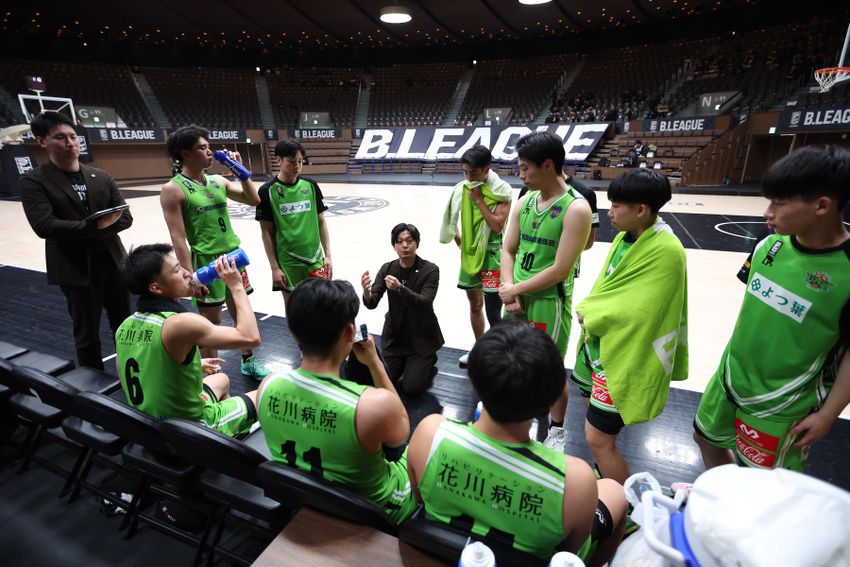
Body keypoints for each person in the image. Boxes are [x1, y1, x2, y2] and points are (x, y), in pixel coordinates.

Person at [407, 321, 627, 566]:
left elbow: (419, 500)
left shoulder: (430, 434)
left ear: (473, 381)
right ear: (552, 398)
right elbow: (568, 551)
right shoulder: (576, 480)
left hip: (444, 550)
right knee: (616, 491)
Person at [693, 145, 850, 472]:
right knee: (705, 438)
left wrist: (828, 414)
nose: (767, 213)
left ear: (822, 205)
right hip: (730, 377)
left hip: (783, 401)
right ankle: (723, 495)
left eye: (779, 203)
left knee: (763, 482)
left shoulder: (846, 269)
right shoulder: (768, 243)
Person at [256, 278, 417, 523]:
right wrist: (374, 362)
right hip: (374, 511)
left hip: (303, 497)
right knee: (423, 444)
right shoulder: (371, 406)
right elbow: (401, 434)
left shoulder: (267, 387)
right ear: (350, 332)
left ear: (292, 329)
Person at [571, 169, 688, 483]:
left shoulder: (667, 250)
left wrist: (593, 314)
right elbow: (608, 288)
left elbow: (646, 312)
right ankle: (604, 474)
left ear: (641, 210)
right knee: (595, 424)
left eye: (615, 206)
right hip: (598, 346)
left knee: (598, 438)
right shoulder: (624, 237)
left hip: (625, 355)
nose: (609, 212)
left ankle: (625, 502)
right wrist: (593, 310)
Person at [499, 131, 592, 450]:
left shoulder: (576, 209)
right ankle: (514, 416)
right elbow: (508, 249)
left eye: (526, 168)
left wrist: (515, 289)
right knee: (512, 360)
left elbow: (561, 270)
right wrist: (509, 288)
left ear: (548, 165)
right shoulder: (524, 200)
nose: (521, 175)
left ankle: (556, 430)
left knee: (548, 369)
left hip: (548, 303)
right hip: (515, 296)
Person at [21, 111, 132, 370]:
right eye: (61, 137)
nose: (70, 142)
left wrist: (89, 228)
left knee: (125, 328)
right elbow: (44, 225)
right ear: (42, 141)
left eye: (73, 136)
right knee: (87, 336)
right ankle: (92, 387)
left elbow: (125, 218)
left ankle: (131, 376)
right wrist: (96, 226)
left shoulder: (101, 176)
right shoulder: (34, 181)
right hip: (75, 269)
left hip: (114, 264)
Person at [160, 124, 270, 380]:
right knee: (211, 322)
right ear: (185, 153)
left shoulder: (219, 181)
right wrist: (191, 277)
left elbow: (254, 200)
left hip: (233, 257)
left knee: (241, 311)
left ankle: (248, 361)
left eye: (209, 147)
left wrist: (239, 170)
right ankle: (211, 373)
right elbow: (178, 238)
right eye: (203, 148)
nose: (210, 152)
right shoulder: (173, 189)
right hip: (206, 262)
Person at [115, 244, 258, 436]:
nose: (187, 273)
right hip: (189, 431)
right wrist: (236, 286)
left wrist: (193, 365)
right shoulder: (179, 324)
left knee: (221, 379)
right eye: (176, 271)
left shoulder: (125, 325)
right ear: (156, 288)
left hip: (149, 426)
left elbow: (136, 370)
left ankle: (233, 436)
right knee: (266, 390)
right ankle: (221, 438)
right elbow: (250, 337)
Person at [439, 145, 512, 367]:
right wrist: (462, 243)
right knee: (475, 305)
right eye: (465, 172)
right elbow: (450, 220)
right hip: (470, 256)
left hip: (492, 255)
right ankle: (480, 349)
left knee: (493, 311)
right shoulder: (462, 188)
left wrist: (479, 200)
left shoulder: (502, 189)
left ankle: (500, 353)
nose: (469, 177)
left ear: (486, 169)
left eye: (473, 172)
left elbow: (498, 226)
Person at [362, 223, 443, 396]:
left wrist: (400, 288)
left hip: (420, 338)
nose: (405, 245)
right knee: (381, 381)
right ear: (394, 245)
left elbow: (425, 302)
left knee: (411, 389)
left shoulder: (430, 270)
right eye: (399, 241)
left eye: (409, 241)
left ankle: (429, 358)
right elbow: (372, 303)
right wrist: (366, 292)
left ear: (417, 243)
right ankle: (408, 362)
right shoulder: (387, 268)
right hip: (395, 338)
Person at [256, 139, 332, 312]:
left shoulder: (310, 186)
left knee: (321, 307)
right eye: (291, 162)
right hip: (289, 263)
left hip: (315, 259)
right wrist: (275, 268)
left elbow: (321, 221)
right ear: (279, 160)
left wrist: (328, 256)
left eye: (300, 161)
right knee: (294, 309)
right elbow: (266, 232)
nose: (297, 166)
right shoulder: (267, 191)